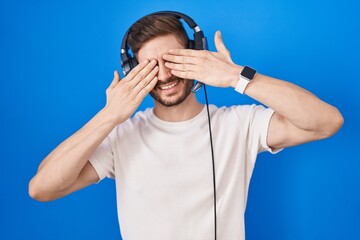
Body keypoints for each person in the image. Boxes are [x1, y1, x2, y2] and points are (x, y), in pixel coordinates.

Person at [28, 13, 343, 240]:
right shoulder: (121, 136)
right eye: (150, 67)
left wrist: (237, 77)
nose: (164, 75)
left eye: (174, 60)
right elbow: (41, 188)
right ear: (132, 71)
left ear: (195, 55)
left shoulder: (239, 124)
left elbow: (327, 121)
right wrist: (110, 116)